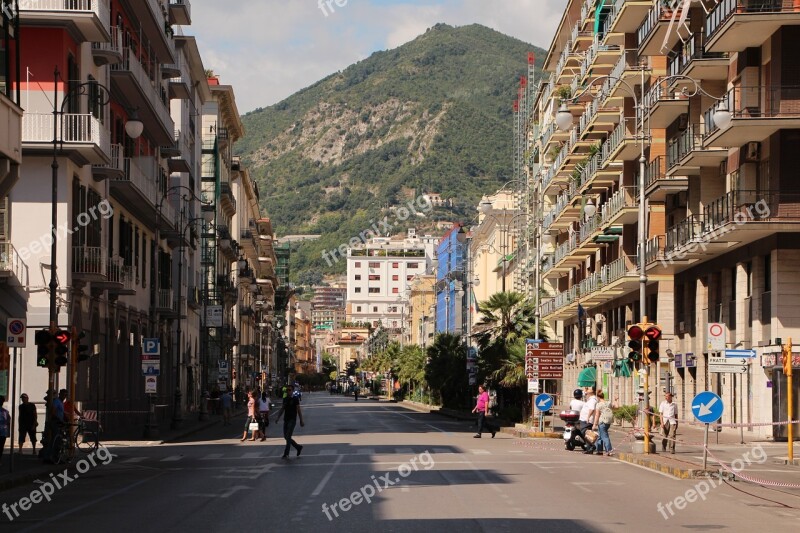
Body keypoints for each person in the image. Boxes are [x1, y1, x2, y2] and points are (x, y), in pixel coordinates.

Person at [274, 385, 304, 458]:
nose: (288, 391)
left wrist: (301, 420)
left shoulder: (295, 399)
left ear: (292, 391)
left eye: (289, 390)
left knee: (288, 436)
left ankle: (286, 453)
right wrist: (278, 417)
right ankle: (298, 447)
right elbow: (282, 409)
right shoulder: (285, 399)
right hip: (286, 419)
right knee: (286, 436)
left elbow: (298, 410)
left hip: (292, 419)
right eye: (287, 390)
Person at [592, 390, 615, 456]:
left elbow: (597, 415)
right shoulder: (608, 403)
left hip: (602, 422)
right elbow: (616, 407)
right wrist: (616, 400)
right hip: (608, 422)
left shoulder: (598, 405)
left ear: (598, 397)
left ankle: (609, 450)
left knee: (604, 436)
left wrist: (594, 424)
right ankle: (599, 450)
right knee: (600, 435)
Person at [579, 388, 598, 454]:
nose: (586, 394)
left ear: (591, 393)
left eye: (587, 393)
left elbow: (592, 409)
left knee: (584, 432)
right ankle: (589, 449)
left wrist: (588, 417)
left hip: (587, 420)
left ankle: (592, 446)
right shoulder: (590, 399)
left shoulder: (592, 400)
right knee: (587, 433)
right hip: (584, 419)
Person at [0, 396, 10, 462]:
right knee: (0, 447)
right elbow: (8, 422)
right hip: (3, 432)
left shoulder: (5, 412)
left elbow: (8, 422)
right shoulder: (5, 412)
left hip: (3, 431)